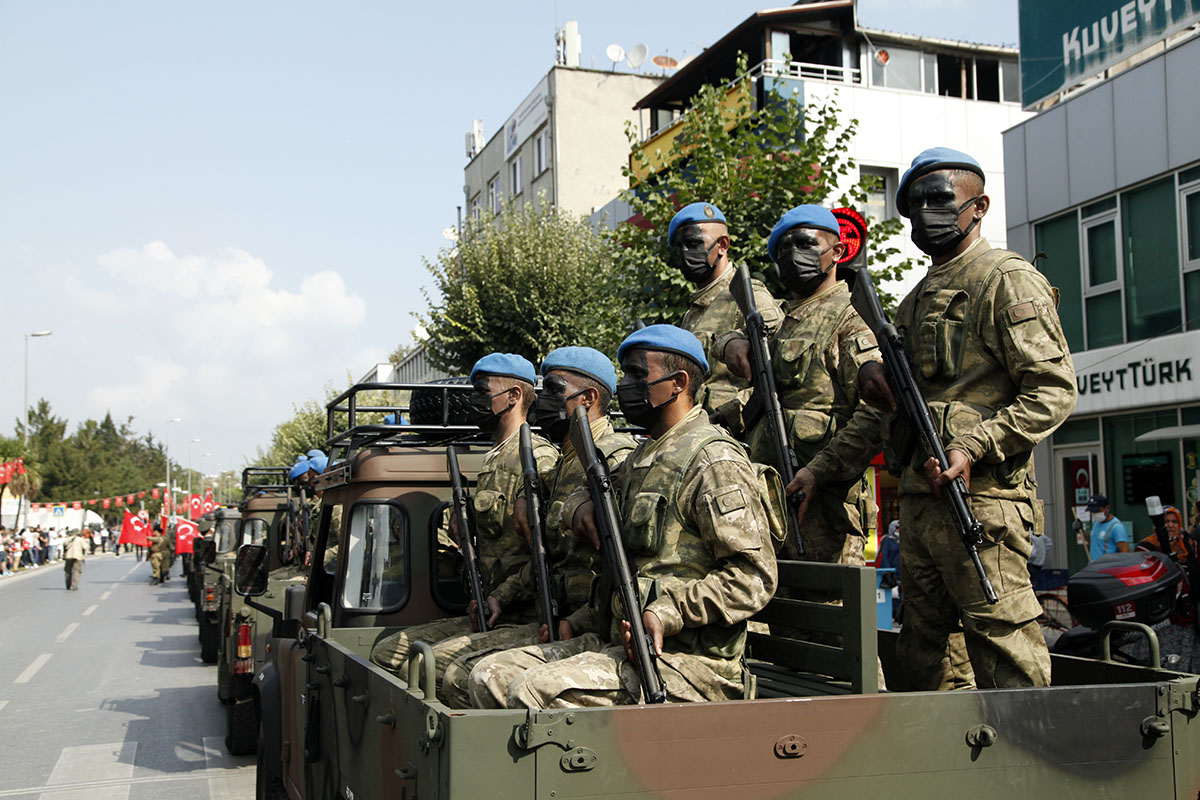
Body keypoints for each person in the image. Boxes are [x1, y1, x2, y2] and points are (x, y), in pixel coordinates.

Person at [791, 147, 1076, 691]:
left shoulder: (1005, 279)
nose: (925, 212)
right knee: (927, 659)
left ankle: (1029, 769)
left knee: (1006, 651)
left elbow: (1053, 390)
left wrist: (975, 444)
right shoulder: (915, 300)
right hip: (922, 509)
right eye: (913, 202)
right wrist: (821, 470)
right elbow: (882, 416)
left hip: (983, 504)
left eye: (940, 198)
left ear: (979, 206)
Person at [469, 325, 778, 709]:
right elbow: (613, 546)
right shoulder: (639, 460)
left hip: (694, 664)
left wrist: (668, 612)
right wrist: (581, 619)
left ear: (678, 382)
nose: (626, 385)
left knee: (529, 692)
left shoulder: (713, 459)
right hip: (622, 642)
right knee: (488, 676)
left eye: (636, 374)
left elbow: (754, 577)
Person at [436, 346, 638, 708]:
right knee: (450, 671)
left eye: (554, 390)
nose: (542, 400)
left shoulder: (615, 458)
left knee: (475, 677)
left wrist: (578, 619)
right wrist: (505, 595)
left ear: (589, 398)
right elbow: (548, 557)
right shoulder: (564, 462)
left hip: (592, 625)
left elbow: (625, 565)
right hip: (558, 616)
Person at [369, 353, 558, 698]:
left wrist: (502, 596)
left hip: (524, 614)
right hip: (489, 610)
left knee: (433, 666)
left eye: (482, 392)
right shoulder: (493, 458)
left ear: (514, 396)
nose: (473, 401)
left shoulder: (537, 459)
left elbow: (549, 558)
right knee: (389, 652)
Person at [722, 204, 879, 568]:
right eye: (783, 250)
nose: (794, 255)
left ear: (837, 251)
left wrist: (819, 470)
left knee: (830, 618)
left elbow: (876, 415)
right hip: (770, 506)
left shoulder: (850, 318)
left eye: (806, 244)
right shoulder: (782, 322)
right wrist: (731, 341)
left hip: (825, 511)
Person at [671, 201, 784, 433]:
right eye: (679, 247)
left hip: (740, 440)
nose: (685, 253)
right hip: (698, 437)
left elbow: (780, 375)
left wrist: (727, 415)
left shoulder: (748, 297)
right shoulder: (693, 312)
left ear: (722, 245)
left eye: (693, 243)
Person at [1083, 493, 1129, 560]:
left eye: (1097, 511)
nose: (1095, 514)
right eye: (1092, 511)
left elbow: (1125, 553)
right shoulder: (1095, 522)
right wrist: (1081, 530)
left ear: (1107, 508)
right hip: (1094, 567)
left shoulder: (1117, 527)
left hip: (1108, 568)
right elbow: (1094, 540)